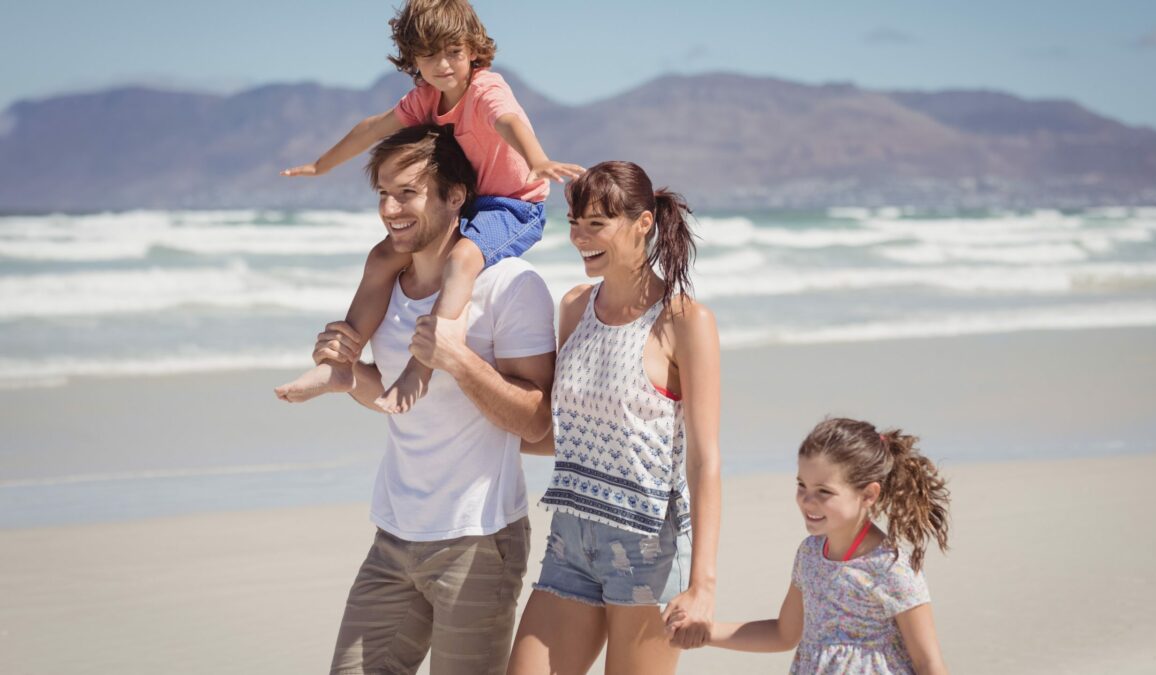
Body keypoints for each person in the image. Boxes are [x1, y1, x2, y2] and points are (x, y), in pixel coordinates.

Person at [312, 124, 556, 675]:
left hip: (478, 539)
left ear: (454, 196)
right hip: (395, 533)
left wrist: (458, 359)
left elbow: (537, 420)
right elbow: (395, 399)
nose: (390, 209)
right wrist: (348, 374)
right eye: (382, 193)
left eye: (407, 193)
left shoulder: (511, 285)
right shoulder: (391, 283)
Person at [274, 0, 581, 412]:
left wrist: (538, 159)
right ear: (412, 57)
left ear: (473, 49)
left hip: (512, 206)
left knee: (462, 258)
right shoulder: (424, 98)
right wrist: (320, 164)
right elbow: (372, 128)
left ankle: (421, 367)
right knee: (384, 254)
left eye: (453, 51)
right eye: (430, 53)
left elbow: (508, 120)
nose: (443, 64)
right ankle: (339, 363)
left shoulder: (486, 89)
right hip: (467, 201)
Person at [507, 161, 723, 675]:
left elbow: (705, 459)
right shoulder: (575, 306)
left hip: (648, 543)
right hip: (570, 538)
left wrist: (702, 585)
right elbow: (566, 434)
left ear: (643, 223)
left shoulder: (684, 321)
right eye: (574, 224)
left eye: (596, 224)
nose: (580, 238)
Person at [678, 418, 950, 674]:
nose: (807, 500)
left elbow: (928, 663)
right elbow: (784, 634)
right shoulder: (810, 554)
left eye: (824, 491)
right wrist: (705, 632)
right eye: (801, 485)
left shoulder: (891, 568)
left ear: (868, 494)